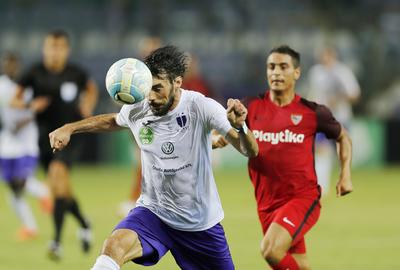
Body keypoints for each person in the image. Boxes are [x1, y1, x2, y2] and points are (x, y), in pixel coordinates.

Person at [49, 45, 258, 270]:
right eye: (148, 88)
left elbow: (250, 150)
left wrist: (241, 128)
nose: (151, 96)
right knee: (114, 245)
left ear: (177, 82)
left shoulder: (201, 107)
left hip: (199, 225)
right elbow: (114, 120)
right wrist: (70, 128)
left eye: (158, 88)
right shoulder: (140, 106)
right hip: (154, 214)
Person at [241, 45, 353, 270]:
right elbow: (225, 136)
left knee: (271, 251)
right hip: (266, 202)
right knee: (298, 264)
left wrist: (345, 174)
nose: (276, 73)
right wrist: (217, 139)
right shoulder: (251, 107)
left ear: (297, 73)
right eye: (271, 67)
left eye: (283, 67)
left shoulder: (312, 112)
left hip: (302, 198)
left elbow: (343, 137)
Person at [12, 30, 98, 260]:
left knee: (58, 174)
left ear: (66, 49)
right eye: (51, 46)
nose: (55, 51)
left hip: (71, 137)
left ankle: (56, 242)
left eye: (59, 47)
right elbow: (15, 99)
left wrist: (88, 104)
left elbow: (91, 88)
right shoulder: (34, 72)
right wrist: (30, 104)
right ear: (44, 48)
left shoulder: (76, 73)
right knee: (61, 190)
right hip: (43, 139)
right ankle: (84, 223)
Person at [0, 52, 51, 241]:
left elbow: (38, 108)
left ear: (18, 67)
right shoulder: (2, 85)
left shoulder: (28, 87)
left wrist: (26, 117)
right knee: (13, 187)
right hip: (7, 142)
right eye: (7, 64)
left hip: (26, 142)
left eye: (13, 64)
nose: (9, 68)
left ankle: (44, 193)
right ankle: (29, 226)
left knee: (20, 181)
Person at [308, 46, 360, 195]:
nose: (324, 58)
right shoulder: (316, 72)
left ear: (333, 56)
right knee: (320, 149)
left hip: (341, 117)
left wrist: (338, 99)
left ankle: (344, 181)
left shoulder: (343, 72)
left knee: (341, 152)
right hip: (322, 118)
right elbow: (313, 93)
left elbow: (355, 94)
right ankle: (321, 186)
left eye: (326, 55)